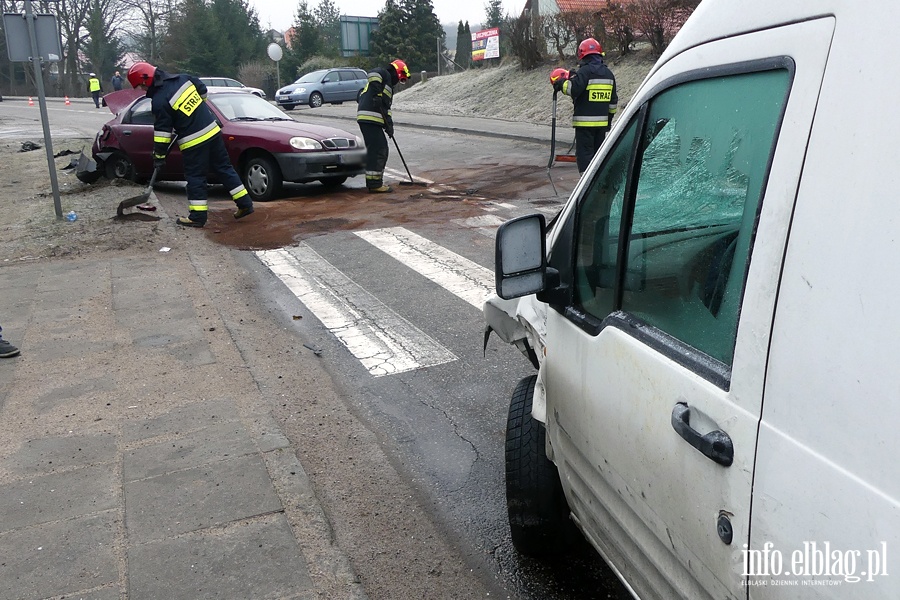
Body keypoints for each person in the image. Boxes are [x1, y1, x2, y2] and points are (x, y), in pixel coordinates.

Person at [127, 62, 254, 228]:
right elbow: (202, 89)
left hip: (193, 141)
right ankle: (245, 204)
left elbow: (162, 133)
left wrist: (158, 156)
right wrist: (195, 112)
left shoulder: (159, 100)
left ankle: (197, 217)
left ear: (145, 81)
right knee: (224, 168)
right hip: (213, 131)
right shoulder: (182, 79)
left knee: (195, 177)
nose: (142, 90)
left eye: (140, 87)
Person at [552, 38, 618, 174]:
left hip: (584, 125)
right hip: (601, 126)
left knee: (585, 155)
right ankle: (598, 182)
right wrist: (608, 121)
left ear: (582, 54)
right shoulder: (609, 74)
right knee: (599, 155)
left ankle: (585, 186)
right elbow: (613, 102)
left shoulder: (584, 72)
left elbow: (573, 89)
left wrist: (561, 83)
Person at [357, 59, 410, 193]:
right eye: (401, 78)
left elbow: (386, 108)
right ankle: (375, 184)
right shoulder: (384, 73)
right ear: (397, 72)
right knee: (379, 150)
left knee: (377, 149)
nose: (399, 81)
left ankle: (373, 182)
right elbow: (372, 74)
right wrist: (376, 94)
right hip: (369, 118)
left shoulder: (388, 87)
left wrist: (389, 126)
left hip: (370, 120)